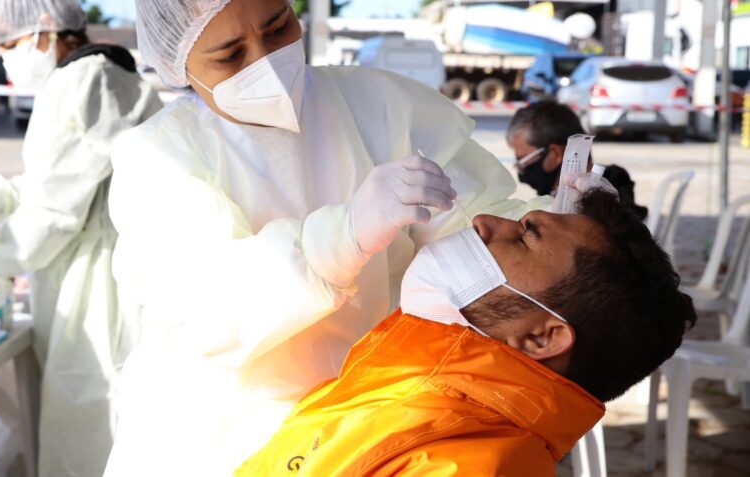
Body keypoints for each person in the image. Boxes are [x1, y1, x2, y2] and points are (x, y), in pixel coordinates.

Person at [104, 0, 562, 476]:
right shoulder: (161, 157)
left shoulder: (380, 103)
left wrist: (558, 225)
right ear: (177, 67)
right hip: (227, 429)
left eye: (278, 29)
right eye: (229, 57)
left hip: (373, 405)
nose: (265, 62)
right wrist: (337, 241)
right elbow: (202, 308)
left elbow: (481, 223)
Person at [238, 189, 697, 476]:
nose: (484, 222)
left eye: (523, 237)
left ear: (541, 337)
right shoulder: (409, 380)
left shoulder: (470, 465)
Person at [0, 0, 162, 477]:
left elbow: (56, 209)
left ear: (45, 32)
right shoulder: (103, 74)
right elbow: (61, 178)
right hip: (102, 267)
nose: (4, 60)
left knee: (91, 419)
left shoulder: (83, 81)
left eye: (7, 46)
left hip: (98, 285)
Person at [507, 101, 648, 220]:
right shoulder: (553, 196)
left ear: (556, 153)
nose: (521, 170)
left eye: (523, 161)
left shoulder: (608, 197)